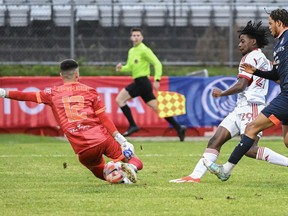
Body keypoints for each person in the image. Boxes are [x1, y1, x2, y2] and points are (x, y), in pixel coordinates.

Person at [170, 20, 288, 183]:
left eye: (242, 41)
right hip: (240, 108)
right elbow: (279, 79)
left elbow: (241, 85)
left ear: (253, 41)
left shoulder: (250, 58)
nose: (239, 45)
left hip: (251, 106)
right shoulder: (263, 58)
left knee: (250, 149)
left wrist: (221, 93)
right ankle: (194, 176)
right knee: (216, 139)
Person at [0, 59, 143, 184]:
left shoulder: (52, 93)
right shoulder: (89, 91)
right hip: (102, 139)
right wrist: (122, 140)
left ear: (61, 75)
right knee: (133, 159)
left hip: (83, 148)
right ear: (77, 74)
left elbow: (25, 96)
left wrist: (4, 93)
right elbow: (103, 117)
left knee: (102, 172)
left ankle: (119, 177)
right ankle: (131, 167)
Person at [204, 8, 288, 181]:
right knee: (287, 140)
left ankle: (225, 170)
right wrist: (255, 71)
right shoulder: (279, 45)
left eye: (271, 23)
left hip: (283, 98)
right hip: (284, 94)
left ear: (279, 23)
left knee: (251, 129)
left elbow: (242, 85)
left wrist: (222, 94)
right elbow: (276, 75)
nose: (269, 27)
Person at [115, 27, 186, 141]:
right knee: (158, 108)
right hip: (141, 83)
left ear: (142, 37)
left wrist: (157, 80)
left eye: (138, 35)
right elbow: (130, 67)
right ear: (131, 37)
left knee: (119, 100)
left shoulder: (144, 50)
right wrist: (122, 68)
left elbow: (158, 64)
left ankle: (133, 125)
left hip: (142, 82)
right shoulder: (131, 51)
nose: (136, 37)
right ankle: (179, 127)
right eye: (134, 35)